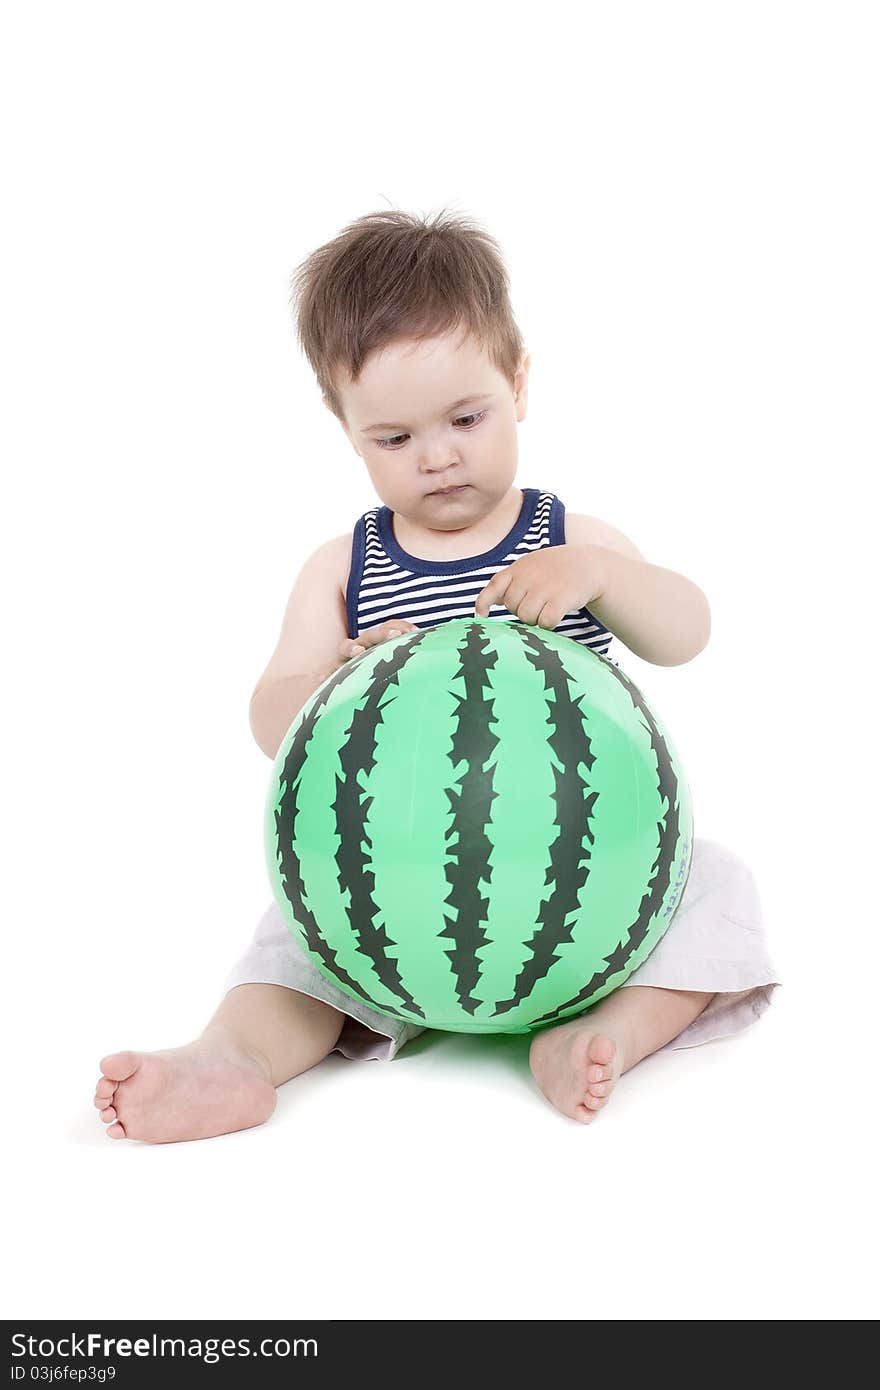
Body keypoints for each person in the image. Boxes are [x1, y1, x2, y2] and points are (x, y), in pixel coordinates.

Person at [93, 208, 780, 1142]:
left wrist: (605, 578)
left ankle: (601, 1026)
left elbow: (686, 632)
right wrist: (334, 677)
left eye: (466, 417)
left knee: (717, 883)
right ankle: (235, 1058)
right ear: (345, 428)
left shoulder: (570, 539)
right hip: (390, 895)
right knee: (290, 938)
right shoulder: (344, 567)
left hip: (592, 888)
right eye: (394, 438)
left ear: (520, 382)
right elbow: (270, 717)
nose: (439, 455)